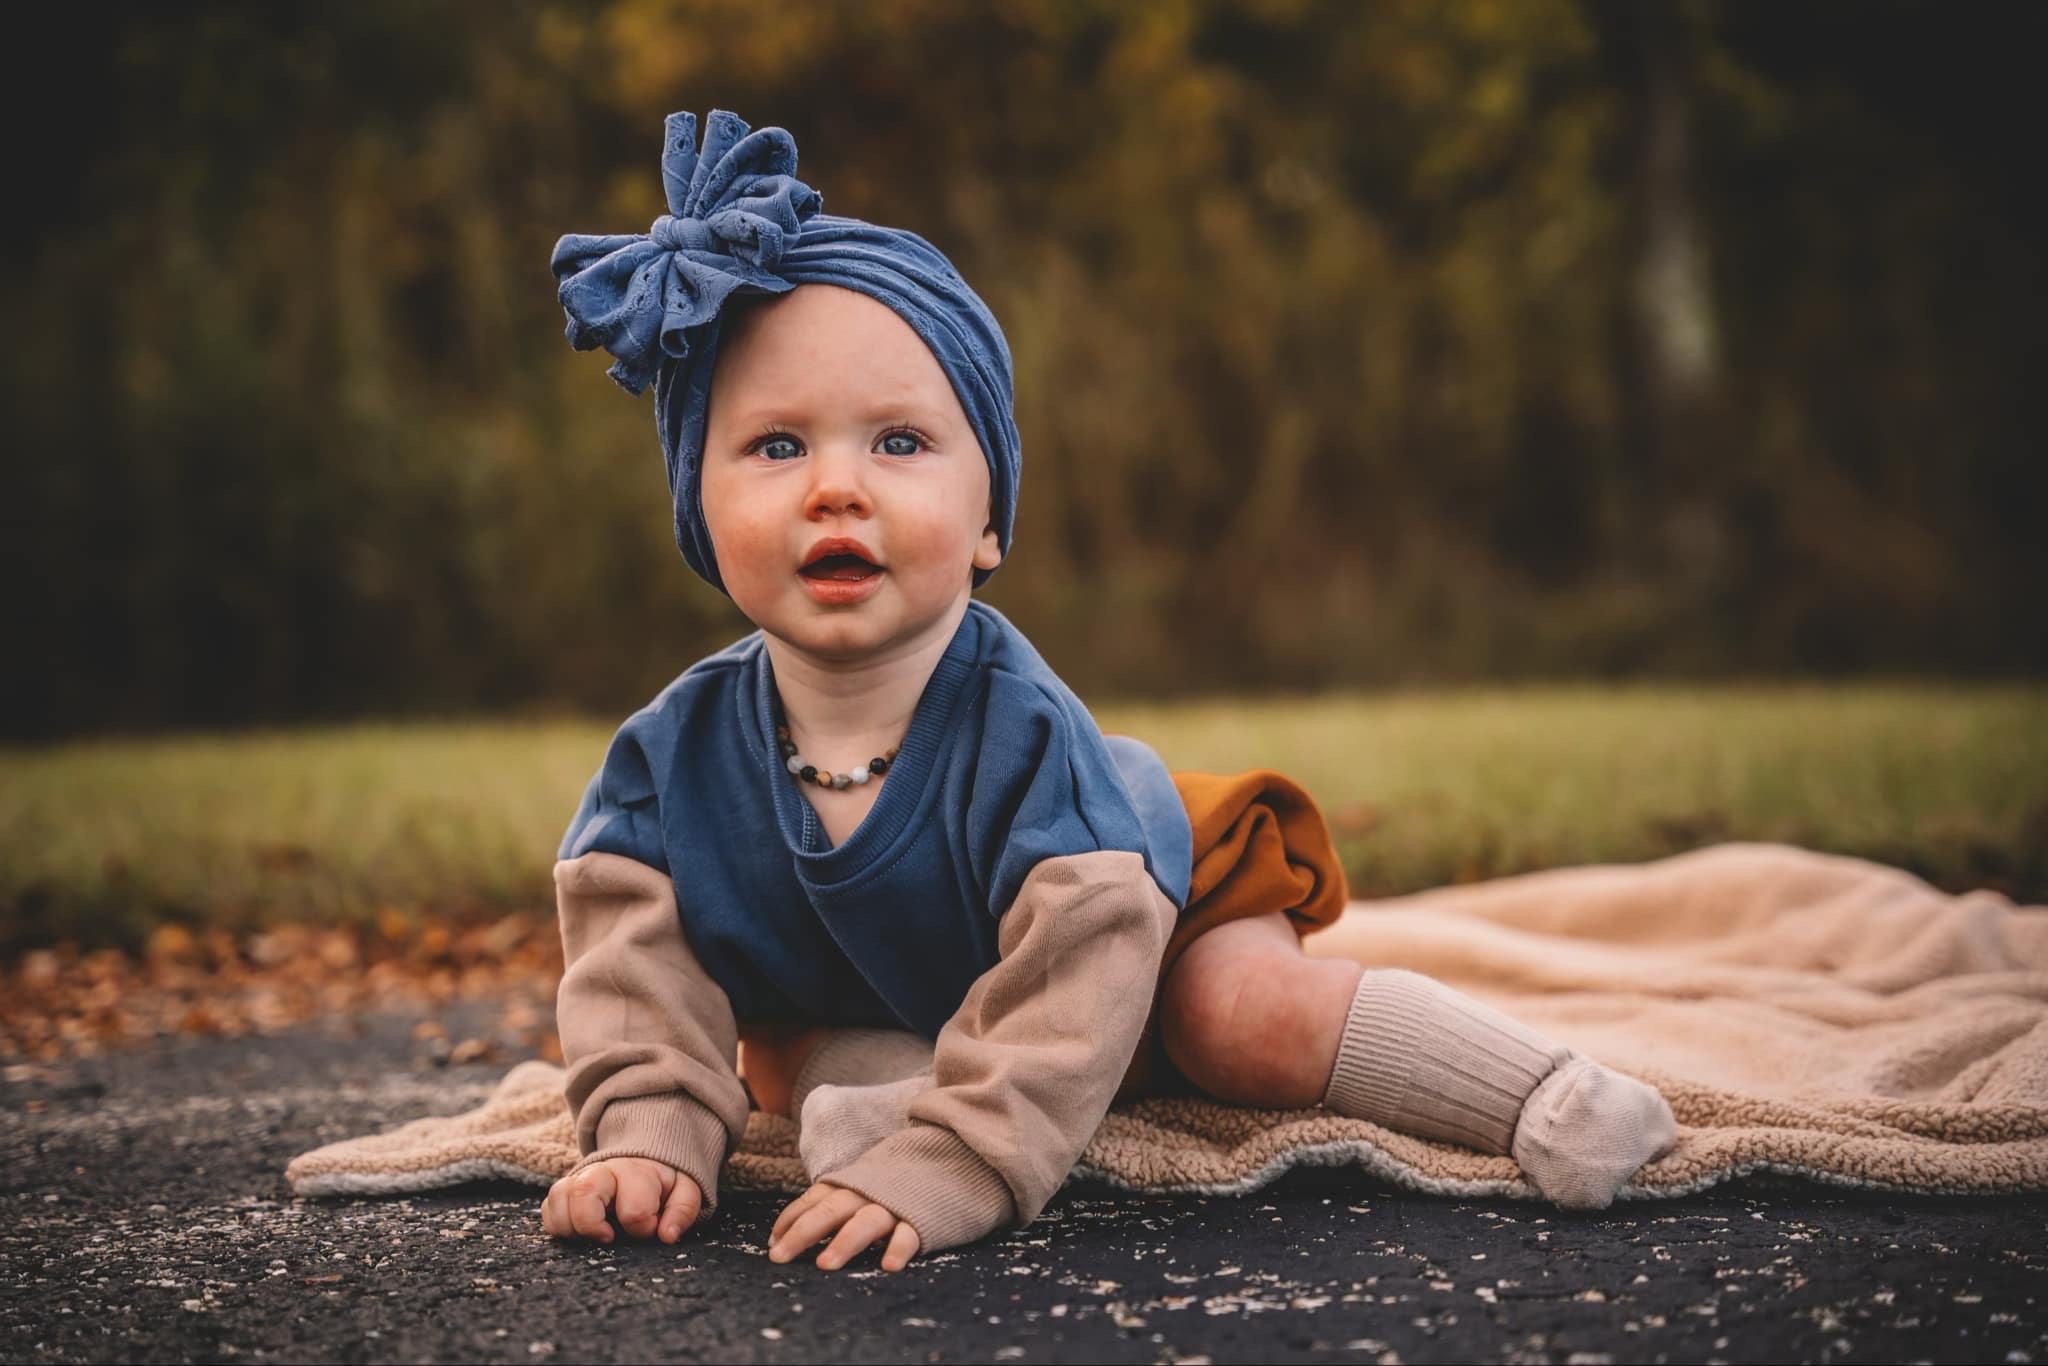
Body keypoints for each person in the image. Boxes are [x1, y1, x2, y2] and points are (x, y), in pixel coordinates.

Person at [537, 111, 1676, 1273]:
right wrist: (649, 1140)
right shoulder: (667, 759)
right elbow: (639, 969)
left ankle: (1543, 1092)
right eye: (776, 447)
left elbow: (1089, 950)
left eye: (898, 443)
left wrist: (962, 1158)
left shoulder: (1020, 731)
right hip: (925, 981)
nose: (836, 487)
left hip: (1153, 908)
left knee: (1234, 1024)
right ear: (698, 511)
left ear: (986, 525)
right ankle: (909, 1096)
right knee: (784, 1056)